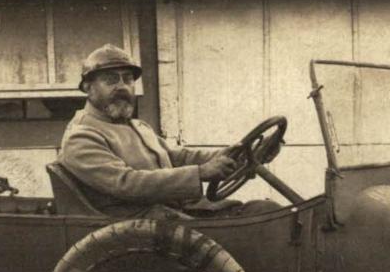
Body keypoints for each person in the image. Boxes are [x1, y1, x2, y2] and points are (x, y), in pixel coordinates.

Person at [57, 44, 275, 218]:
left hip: (172, 212)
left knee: (264, 211)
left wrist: (238, 155)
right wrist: (200, 173)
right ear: (88, 87)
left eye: (128, 79)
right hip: (139, 227)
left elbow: (177, 157)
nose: (122, 86)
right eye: (111, 80)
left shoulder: (136, 126)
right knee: (255, 229)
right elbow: (127, 183)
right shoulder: (82, 136)